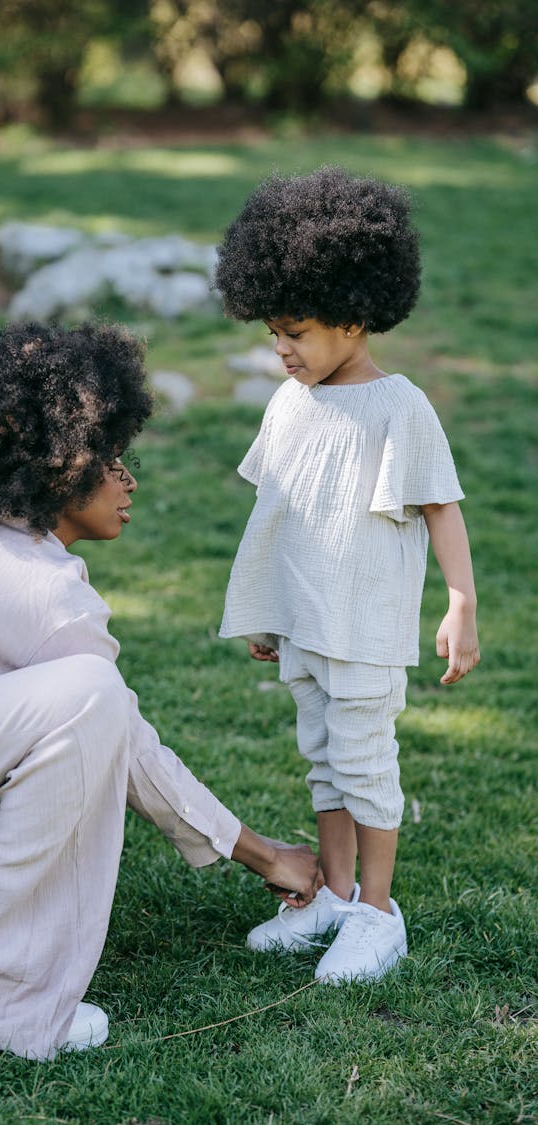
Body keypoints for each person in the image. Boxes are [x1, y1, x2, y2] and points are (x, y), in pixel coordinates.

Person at [0, 321, 322, 1061]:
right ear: (58, 465)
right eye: (111, 459)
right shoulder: (32, 585)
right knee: (87, 697)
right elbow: (123, 737)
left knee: (66, 709)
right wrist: (265, 855)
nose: (129, 479)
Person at [215, 167, 480, 984]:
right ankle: (332, 894)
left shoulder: (400, 406)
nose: (283, 348)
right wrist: (270, 611)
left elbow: (441, 507)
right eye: (274, 333)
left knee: (365, 759)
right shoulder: (289, 402)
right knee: (323, 755)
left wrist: (461, 600)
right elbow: (282, 516)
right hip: (307, 619)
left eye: (296, 330)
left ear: (357, 317)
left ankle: (377, 911)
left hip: (363, 623)